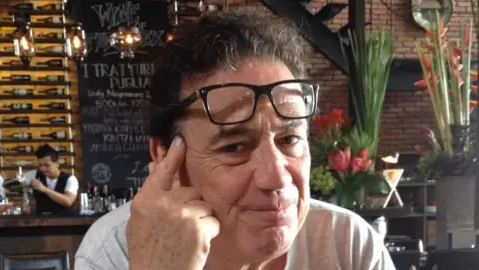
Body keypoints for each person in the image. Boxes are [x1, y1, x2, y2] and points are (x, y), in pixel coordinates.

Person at [75, 9, 395, 270]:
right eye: (234, 146)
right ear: (164, 159)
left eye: (289, 139)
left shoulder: (348, 246)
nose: (277, 177)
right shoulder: (115, 251)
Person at [22, 144, 79, 215]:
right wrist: (16, 180)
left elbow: (68, 201)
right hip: (40, 222)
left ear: (57, 163)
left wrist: (44, 189)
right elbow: (13, 182)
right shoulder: (34, 174)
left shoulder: (70, 179)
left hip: (64, 223)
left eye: (47, 165)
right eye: (40, 165)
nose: (42, 169)